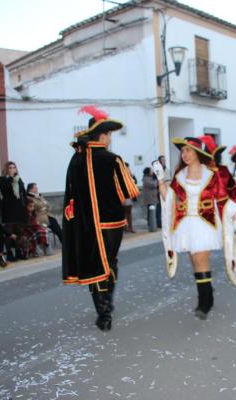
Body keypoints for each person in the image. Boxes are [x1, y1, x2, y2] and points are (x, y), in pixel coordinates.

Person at [62, 106, 140, 331]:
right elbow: (130, 191)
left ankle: (102, 311)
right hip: (110, 223)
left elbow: (71, 193)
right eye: (109, 135)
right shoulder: (112, 159)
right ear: (103, 135)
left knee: (94, 264)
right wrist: (129, 175)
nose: (110, 139)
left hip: (85, 224)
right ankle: (107, 305)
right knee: (110, 262)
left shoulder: (75, 160)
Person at [156, 137, 236, 320]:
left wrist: (234, 220)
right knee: (195, 261)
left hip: (206, 223)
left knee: (201, 259)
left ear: (197, 153)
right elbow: (170, 199)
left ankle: (205, 302)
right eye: (183, 151)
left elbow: (222, 199)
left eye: (188, 150)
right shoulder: (179, 175)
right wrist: (161, 180)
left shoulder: (211, 174)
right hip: (185, 225)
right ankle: (207, 291)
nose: (184, 154)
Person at [0, 161, 28, 258]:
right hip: (8, 207)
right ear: (6, 169)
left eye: (14, 168)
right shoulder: (2, 179)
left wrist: (25, 205)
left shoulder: (18, 179)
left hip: (19, 207)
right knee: (9, 231)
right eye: (10, 168)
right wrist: (10, 178)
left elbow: (23, 192)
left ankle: (19, 251)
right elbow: (4, 189)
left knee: (19, 230)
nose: (12, 170)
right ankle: (10, 253)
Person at [123, 162, 137, 233]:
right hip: (122, 196)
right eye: (127, 167)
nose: (128, 169)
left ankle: (130, 227)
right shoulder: (120, 174)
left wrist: (133, 176)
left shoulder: (130, 175)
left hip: (129, 196)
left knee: (128, 212)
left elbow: (135, 182)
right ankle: (126, 226)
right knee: (124, 212)